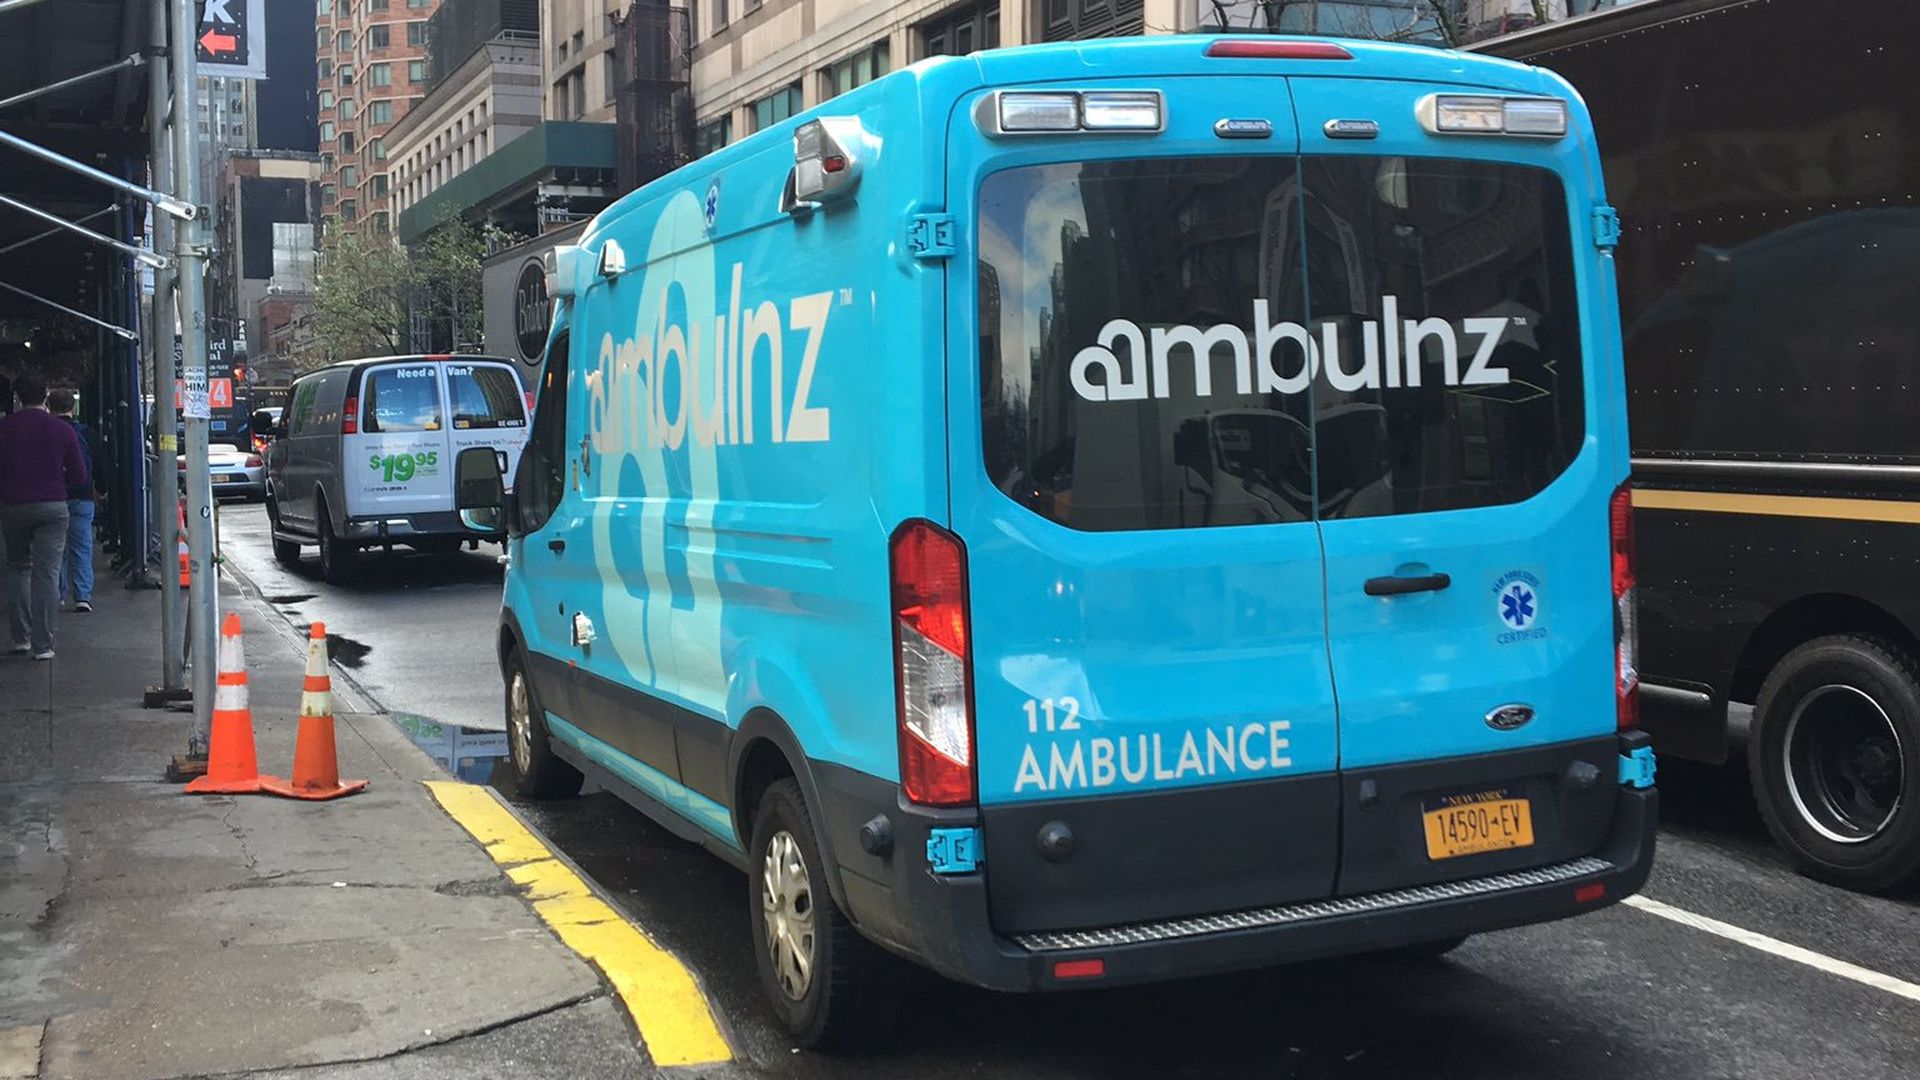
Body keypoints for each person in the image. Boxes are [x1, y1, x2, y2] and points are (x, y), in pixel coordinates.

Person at [0, 372, 90, 660]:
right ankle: (44, 645)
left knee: (17, 569)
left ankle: (20, 638)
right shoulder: (61, 430)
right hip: (53, 506)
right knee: (47, 573)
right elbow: (79, 475)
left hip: (13, 505)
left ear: (17, 397)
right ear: (45, 396)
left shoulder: (5, 429)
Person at [49, 390, 105, 612]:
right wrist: (101, 489)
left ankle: (57, 594)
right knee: (82, 547)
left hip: (54, 497)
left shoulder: (47, 432)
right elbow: (100, 462)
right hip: (82, 497)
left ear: (49, 406)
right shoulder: (85, 432)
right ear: (73, 407)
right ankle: (83, 596)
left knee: (56, 548)